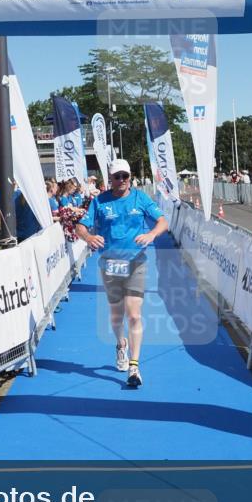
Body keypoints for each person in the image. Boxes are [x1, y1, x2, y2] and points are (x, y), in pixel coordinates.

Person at [76, 159, 168, 388]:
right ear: (110, 179)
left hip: (136, 261)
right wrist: (88, 237)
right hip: (110, 263)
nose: (121, 181)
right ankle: (120, 344)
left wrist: (151, 235)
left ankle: (134, 367)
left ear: (130, 176)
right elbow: (80, 226)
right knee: (117, 315)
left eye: (125, 176)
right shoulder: (99, 201)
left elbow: (163, 222)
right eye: (117, 177)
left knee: (134, 314)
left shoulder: (140, 198)